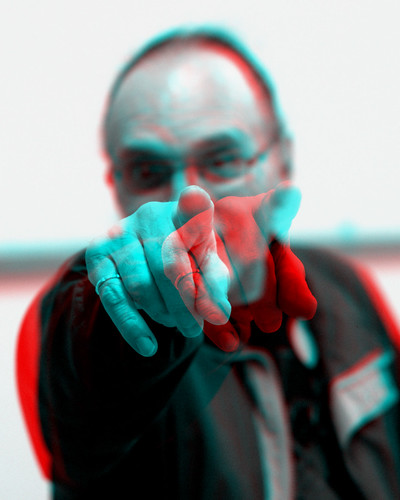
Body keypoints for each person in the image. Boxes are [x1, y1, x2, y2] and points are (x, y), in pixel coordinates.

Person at [16, 27, 400, 499]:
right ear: (116, 185)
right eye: (148, 171)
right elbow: (86, 363)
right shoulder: (87, 312)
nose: (188, 201)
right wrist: (138, 308)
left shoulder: (345, 287)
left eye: (222, 159)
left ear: (283, 159)